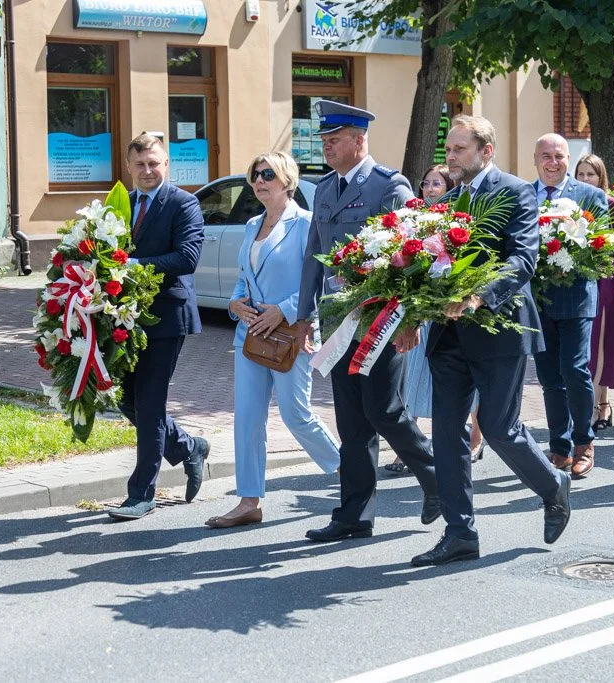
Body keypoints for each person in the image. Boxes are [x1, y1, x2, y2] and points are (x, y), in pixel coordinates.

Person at [410, 115, 571, 566]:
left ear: (486, 151)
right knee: (447, 432)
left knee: (500, 429)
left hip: (498, 328)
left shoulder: (516, 192)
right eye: (449, 150)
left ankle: (552, 485)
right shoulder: (449, 198)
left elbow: (523, 258)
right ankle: (461, 533)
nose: (450, 158)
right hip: (448, 333)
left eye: (459, 149)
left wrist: (480, 295)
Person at [293, 101, 440, 542]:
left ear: (360, 140)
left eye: (334, 140)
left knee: (384, 411)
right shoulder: (323, 189)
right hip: (340, 318)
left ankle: (437, 479)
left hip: (382, 316)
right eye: (324, 141)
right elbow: (312, 259)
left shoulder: (389, 186)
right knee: (351, 420)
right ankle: (354, 514)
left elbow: (416, 258)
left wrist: (412, 319)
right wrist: (304, 317)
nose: (327, 148)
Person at [204, 153, 341, 529]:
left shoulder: (306, 224)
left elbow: (321, 284)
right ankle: (249, 501)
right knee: (247, 419)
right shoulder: (251, 225)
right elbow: (244, 279)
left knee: (296, 415)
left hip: (289, 335)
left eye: (268, 174)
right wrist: (234, 304)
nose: (259, 181)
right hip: (249, 337)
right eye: (255, 175)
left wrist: (283, 309)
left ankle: (350, 471)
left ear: (287, 181)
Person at [107, 133, 208, 520]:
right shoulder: (121, 205)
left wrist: (132, 267)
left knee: (150, 403)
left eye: (154, 164)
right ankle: (187, 448)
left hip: (167, 316)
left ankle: (141, 494)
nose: (147, 171)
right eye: (140, 164)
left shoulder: (184, 203)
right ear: (129, 167)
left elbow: (187, 257)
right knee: (127, 401)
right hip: (125, 318)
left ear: (166, 165)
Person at [386, 164, 486, 475]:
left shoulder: (456, 221)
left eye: (437, 183)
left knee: (459, 384)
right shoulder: (411, 223)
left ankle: (476, 438)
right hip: (420, 313)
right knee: (412, 379)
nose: (430, 189)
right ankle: (410, 447)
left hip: (449, 314)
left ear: (450, 187)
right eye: (426, 183)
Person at [531, 134, 609, 479]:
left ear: (569, 158)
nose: (553, 162)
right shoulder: (522, 195)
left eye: (559, 156)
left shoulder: (590, 196)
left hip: (576, 297)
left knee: (575, 370)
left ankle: (583, 442)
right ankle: (559, 447)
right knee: (549, 377)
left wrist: (570, 251)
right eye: (546, 156)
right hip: (537, 300)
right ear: (535, 159)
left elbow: (603, 249)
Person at [574, 153, 614, 432]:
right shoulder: (567, 204)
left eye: (592, 174)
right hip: (573, 280)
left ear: (601, 177)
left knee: (600, 343)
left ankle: (598, 405)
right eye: (581, 174)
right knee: (581, 346)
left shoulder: (611, 205)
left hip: (605, 280)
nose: (586, 179)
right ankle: (592, 403)